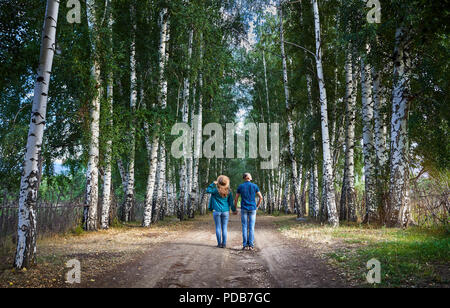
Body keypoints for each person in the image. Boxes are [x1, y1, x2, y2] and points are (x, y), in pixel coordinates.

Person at [206, 175, 237, 248]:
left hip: (216, 211)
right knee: (224, 228)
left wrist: (213, 184)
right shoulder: (228, 191)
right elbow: (231, 202)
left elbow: (208, 190)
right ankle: (224, 244)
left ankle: (219, 244)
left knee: (218, 227)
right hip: (225, 211)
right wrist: (234, 210)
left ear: (219, 182)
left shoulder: (215, 190)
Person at [234, 173, 263, 251]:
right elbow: (261, 197)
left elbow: (236, 198)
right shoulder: (254, 186)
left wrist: (235, 208)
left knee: (244, 226)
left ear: (244, 178)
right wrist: (257, 206)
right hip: (253, 208)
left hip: (244, 208)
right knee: (251, 227)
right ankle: (251, 245)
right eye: (250, 175)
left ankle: (244, 245)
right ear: (249, 177)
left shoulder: (240, 186)